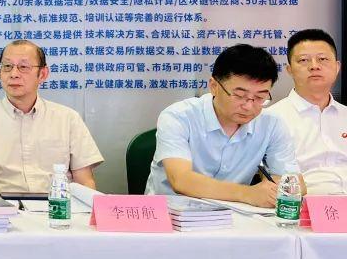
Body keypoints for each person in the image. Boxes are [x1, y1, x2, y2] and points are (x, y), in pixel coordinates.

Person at [145, 43, 303, 205]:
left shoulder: (272, 124)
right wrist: (247, 193)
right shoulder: (178, 116)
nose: (249, 106)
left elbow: (295, 183)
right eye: (239, 95)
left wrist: (276, 188)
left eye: (259, 97)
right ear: (214, 86)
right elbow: (181, 180)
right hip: (171, 212)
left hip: (236, 215)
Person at [0, 39, 103, 193]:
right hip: (0, 205)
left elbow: (85, 182)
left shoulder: (68, 119)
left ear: (42, 74)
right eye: (7, 66)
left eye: (23, 67)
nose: (14, 74)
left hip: (55, 205)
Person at [266, 29, 347, 194]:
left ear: (337, 67)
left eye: (322, 59)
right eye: (304, 60)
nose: (314, 66)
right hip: (303, 204)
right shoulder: (271, 119)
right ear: (289, 70)